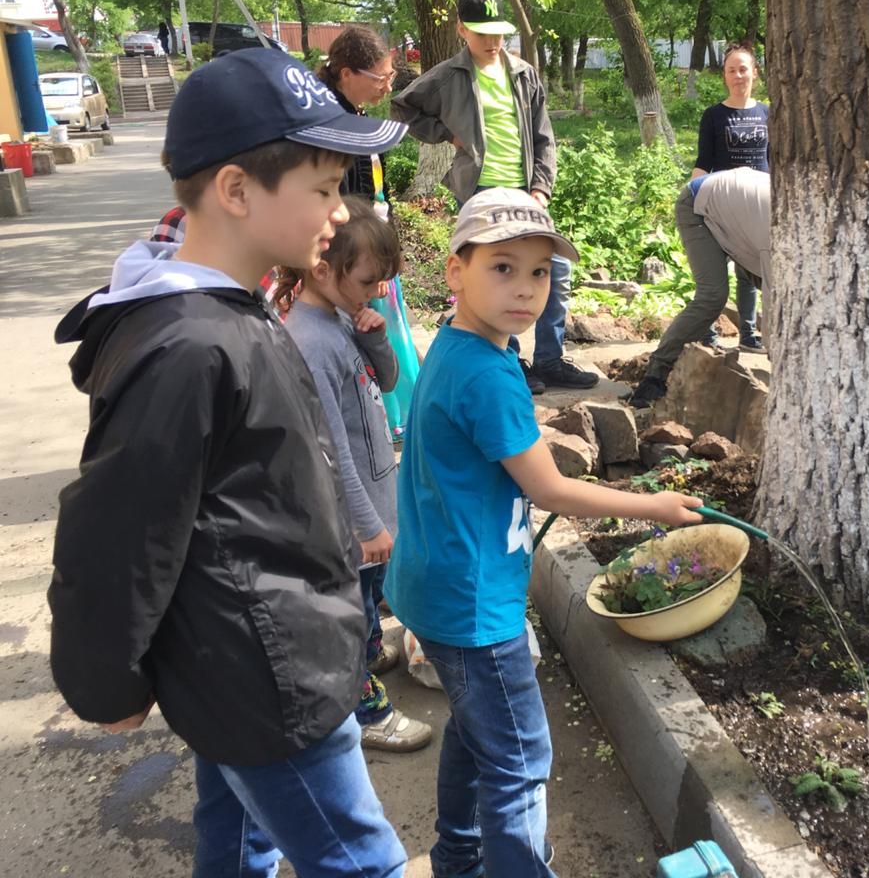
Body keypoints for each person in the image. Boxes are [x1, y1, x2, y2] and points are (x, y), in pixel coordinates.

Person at [48, 47, 411, 877]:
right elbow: (118, 534)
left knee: (242, 835)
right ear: (238, 190)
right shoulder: (192, 345)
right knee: (362, 861)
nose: (337, 213)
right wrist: (106, 681)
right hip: (267, 673)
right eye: (323, 189)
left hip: (244, 659)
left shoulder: (226, 312)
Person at [385, 188, 702, 877]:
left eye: (539, 272)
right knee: (520, 758)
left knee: (477, 732)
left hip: (438, 583)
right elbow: (550, 488)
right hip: (473, 604)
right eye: (502, 268)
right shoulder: (487, 375)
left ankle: (460, 857)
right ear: (455, 270)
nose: (525, 288)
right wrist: (655, 506)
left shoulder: (460, 345)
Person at [277, 196, 434, 754]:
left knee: (367, 602)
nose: (376, 292)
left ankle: (368, 652)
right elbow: (330, 450)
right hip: (349, 517)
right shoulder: (311, 342)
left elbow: (387, 383)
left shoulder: (343, 319)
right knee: (349, 614)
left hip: (370, 500)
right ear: (323, 269)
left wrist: (374, 335)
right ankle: (366, 711)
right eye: (368, 281)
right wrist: (367, 525)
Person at [391, 0, 598, 395]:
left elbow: (544, 137)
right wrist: (447, 134)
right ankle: (511, 361)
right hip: (481, 191)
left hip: (526, 191)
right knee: (501, 275)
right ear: (462, 30)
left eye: (498, 32)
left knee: (556, 269)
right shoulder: (448, 76)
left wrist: (541, 188)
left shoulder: (523, 74)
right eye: (482, 33)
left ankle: (551, 359)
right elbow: (403, 107)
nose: (492, 41)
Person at [316, 25, 421, 441]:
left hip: (372, 245)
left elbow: (376, 191)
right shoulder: (330, 124)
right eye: (381, 77)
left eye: (390, 76)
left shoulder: (355, 115)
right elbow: (346, 203)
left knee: (387, 328)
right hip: (353, 253)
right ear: (347, 74)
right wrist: (365, 260)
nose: (387, 86)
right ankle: (386, 417)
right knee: (371, 329)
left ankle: (400, 415)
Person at [629, 168, 771, 408]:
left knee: (763, 282)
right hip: (698, 204)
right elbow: (777, 312)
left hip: (737, 211)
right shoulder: (779, 237)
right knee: (713, 295)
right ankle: (656, 374)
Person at [691, 44, 769, 354]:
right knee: (714, 271)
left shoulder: (767, 113)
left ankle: (748, 335)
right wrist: (691, 199)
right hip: (721, 203)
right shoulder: (714, 116)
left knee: (750, 271)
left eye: (743, 69)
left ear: (755, 73)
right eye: (731, 70)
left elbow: (775, 161)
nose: (738, 76)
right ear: (724, 76)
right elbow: (704, 161)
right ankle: (707, 334)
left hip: (757, 203)